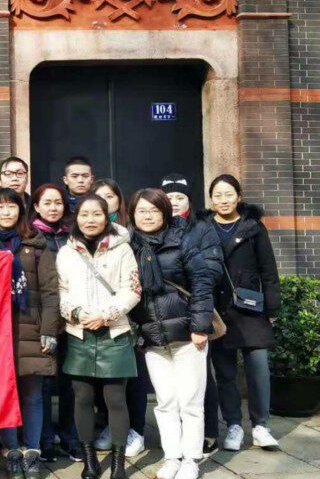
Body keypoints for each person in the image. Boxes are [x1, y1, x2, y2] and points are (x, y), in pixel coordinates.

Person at [127, 188, 218, 479]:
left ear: (165, 212)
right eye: (141, 211)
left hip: (187, 335)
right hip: (153, 338)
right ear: (133, 214)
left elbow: (202, 283)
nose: (147, 216)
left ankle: (191, 459)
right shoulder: (128, 247)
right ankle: (172, 457)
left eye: (154, 210)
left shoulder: (182, 240)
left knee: (191, 401)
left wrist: (200, 327)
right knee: (165, 402)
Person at [56, 194, 140, 479]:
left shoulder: (122, 248)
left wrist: (106, 314)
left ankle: (118, 464)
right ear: (76, 218)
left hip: (114, 332)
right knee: (82, 397)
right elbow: (61, 290)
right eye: (84, 214)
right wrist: (77, 313)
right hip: (79, 332)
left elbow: (133, 289)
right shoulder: (66, 252)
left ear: (107, 217)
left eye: (96, 214)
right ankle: (89, 460)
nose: (90, 220)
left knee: (115, 398)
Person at [0, 189, 60, 479]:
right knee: (4, 394)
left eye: (11, 206)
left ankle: (33, 451)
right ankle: (12, 451)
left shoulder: (37, 245)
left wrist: (49, 330)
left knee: (33, 395)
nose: (6, 212)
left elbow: (51, 293)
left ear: (21, 210)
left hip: (31, 329)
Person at [207, 175, 282, 452]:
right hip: (219, 310)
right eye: (218, 195)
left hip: (251, 309)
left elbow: (268, 271)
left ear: (238, 197)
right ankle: (234, 426)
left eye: (229, 194)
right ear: (211, 199)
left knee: (258, 368)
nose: (223, 200)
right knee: (225, 372)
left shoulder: (253, 227)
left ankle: (261, 426)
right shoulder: (204, 228)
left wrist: (272, 308)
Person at [160, 173, 226, 455]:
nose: (174, 202)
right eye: (169, 198)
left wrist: (181, 275)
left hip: (194, 307)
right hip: (163, 312)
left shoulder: (202, 228)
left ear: (189, 200)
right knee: (169, 381)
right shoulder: (155, 225)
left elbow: (213, 268)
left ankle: (208, 432)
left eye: (180, 197)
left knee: (200, 377)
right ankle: (176, 436)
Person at [88, 179, 142, 457]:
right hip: (94, 320)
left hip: (128, 317)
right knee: (102, 384)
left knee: (130, 381)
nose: (104, 201)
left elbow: (132, 284)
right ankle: (110, 427)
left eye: (109, 196)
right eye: (98, 196)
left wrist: (112, 311)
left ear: (119, 200)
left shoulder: (129, 233)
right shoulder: (83, 236)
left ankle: (136, 430)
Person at [29, 183, 81, 463]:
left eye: (58, 203)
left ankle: (71, 437)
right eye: (47, 203)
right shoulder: (30, 236)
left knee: (71, 381)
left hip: (73, 318)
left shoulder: (74, 235)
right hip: (44, 318)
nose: (53, 208)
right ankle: (46, 440)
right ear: (36, 206)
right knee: (45, 383)